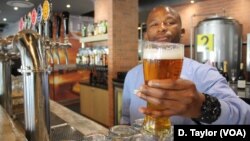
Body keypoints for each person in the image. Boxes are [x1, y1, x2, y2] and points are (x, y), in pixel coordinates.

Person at [121, 5, 250, 125]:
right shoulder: (132, 75)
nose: (162, 28)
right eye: (154, 24)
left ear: (182, 32)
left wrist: (202, 106)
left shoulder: (203, 72)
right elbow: (126, 120)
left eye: (170, 22)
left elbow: (244, 116)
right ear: (146, 35)